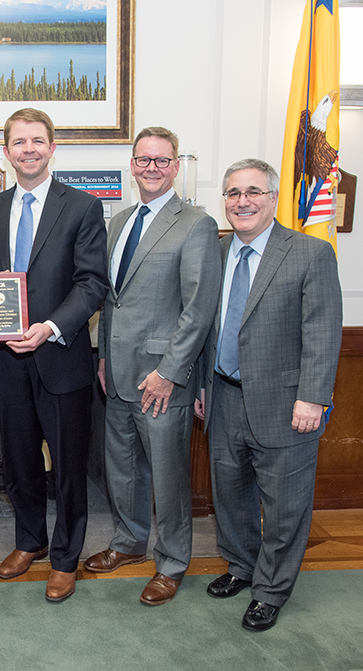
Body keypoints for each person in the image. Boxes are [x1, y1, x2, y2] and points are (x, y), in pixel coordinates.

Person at [195, 158, 342, 632]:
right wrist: (202, 385)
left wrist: (313, 397)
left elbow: (323, 331)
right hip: (222, 396)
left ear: (273, 198)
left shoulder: (309, 253)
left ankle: (271, 590)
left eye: (253, 192)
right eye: (234, 193)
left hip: (285, 403)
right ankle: (241, 566)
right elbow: (204, 327)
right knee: (230, 495)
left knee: (284, 505)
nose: (243, 201)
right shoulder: (216, 252)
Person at [0, 108, 109, 603]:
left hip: (60, 356)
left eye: (37, 140)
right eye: (18, 142)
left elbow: (91, 282)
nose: (27, 149)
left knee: (69, 464)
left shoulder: (83, 207)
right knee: (19, 459)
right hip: (7, 359)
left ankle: (66, 557)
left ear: (53, 147)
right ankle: (29, 540)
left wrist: (49, 327)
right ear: (6, 152)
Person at [84, 127, 221, 606]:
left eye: (162, 160)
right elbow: (110, 302)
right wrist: (102, 357)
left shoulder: (196, 224)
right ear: (132, 164)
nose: (152, 168)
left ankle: (173, 562)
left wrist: (169, 371)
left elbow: (199, 308)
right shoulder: (118, 222)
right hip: (117, 372)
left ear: (176, 166)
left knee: (167, 475)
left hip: (162, 377)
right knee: (122, 470)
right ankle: (127, 543)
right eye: (143, 160)